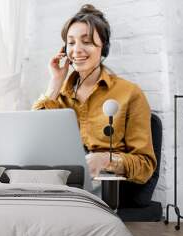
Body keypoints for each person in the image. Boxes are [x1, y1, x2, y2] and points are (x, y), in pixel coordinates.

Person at [32, 4, 156, 185]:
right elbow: (33, 143)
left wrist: (106, 160)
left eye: (87, 41)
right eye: (71, 42)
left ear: (103, 47)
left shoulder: (130, 93)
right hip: (64, 184)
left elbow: (145, 166)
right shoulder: (58, 96)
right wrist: (55, 82)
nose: (77, 50)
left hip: (110, 185)